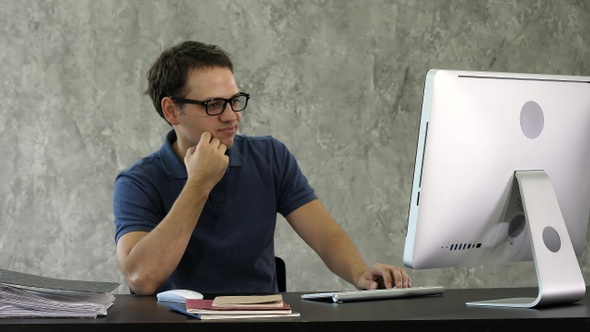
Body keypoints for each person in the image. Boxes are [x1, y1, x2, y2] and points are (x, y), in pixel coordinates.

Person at [113, 41, 412, 295]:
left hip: (260, 321)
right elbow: (142, 279)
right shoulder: (138, 182)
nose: (231, 116)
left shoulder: (270, 156)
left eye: (234, 101)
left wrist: (360, 274)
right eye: (214, 104)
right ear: (171, 110)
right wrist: (198, 185)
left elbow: (324, 233)